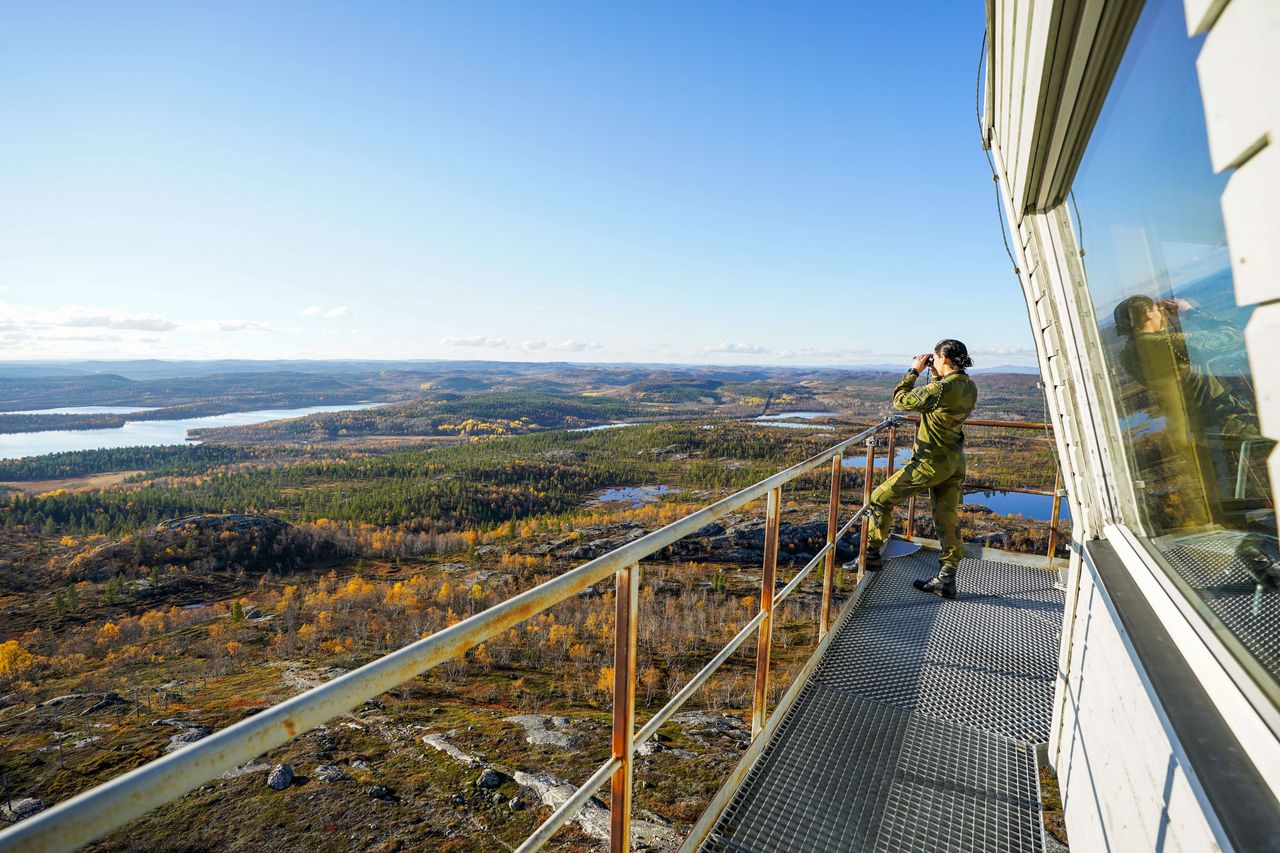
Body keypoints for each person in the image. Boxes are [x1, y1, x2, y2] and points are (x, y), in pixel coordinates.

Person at [859, 339, 978, 598]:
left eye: (934, 359)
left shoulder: (939, 390)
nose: (931, 363)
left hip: (929, 462)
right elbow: (942, 400)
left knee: (879, 499)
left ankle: (870, 555)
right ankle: (947, 578)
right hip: (954, 462)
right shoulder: (969, 386)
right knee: (947, 518)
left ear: (944, 359)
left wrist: (913, 371)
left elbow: (900, 401)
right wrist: (934, 374)